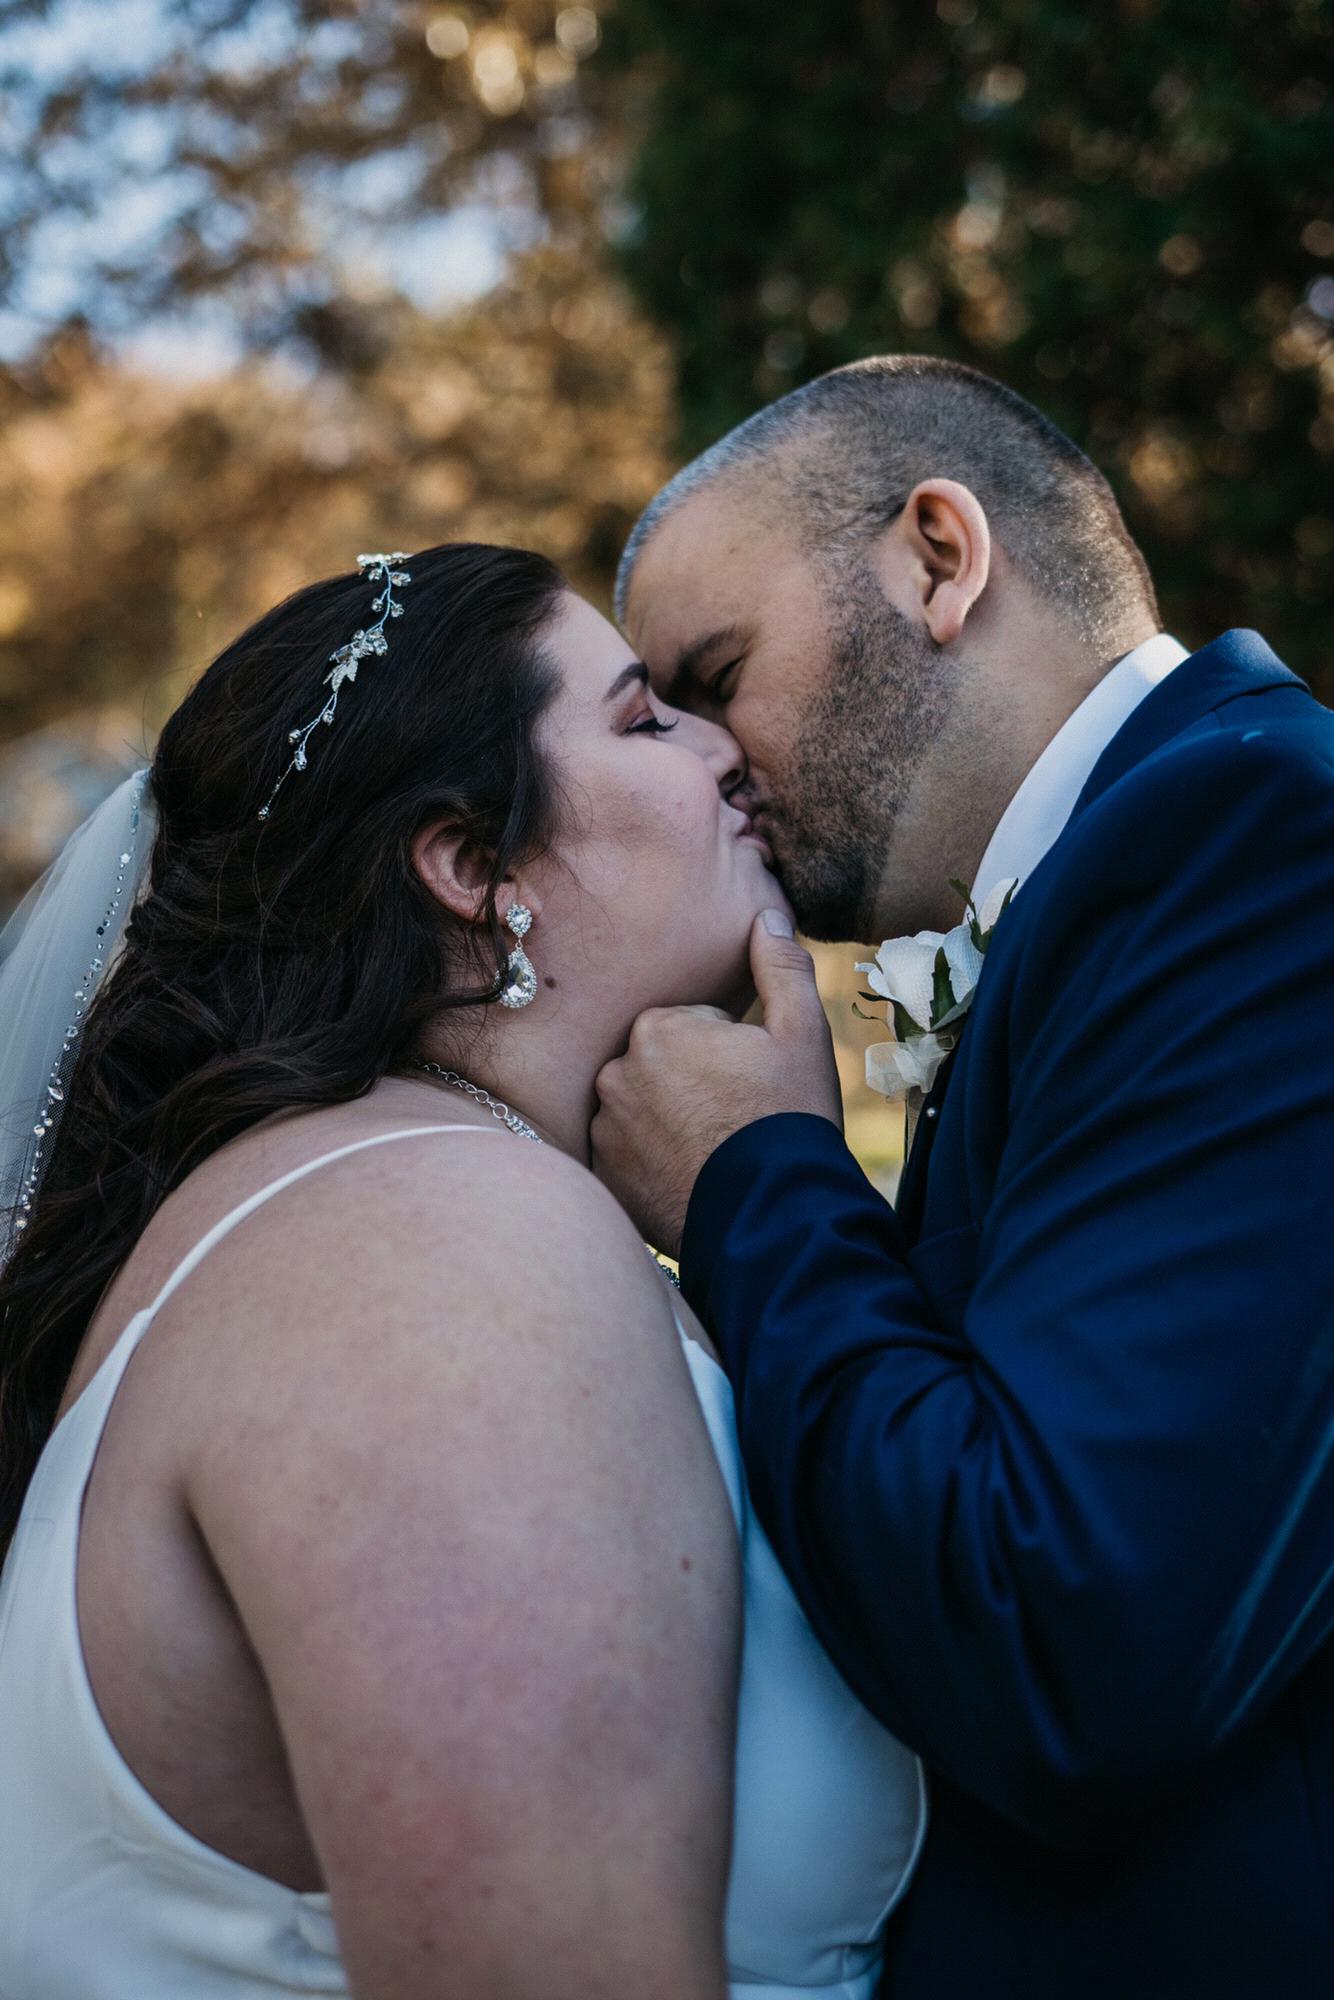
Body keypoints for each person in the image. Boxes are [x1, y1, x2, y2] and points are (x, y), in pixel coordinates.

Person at [0, 543, 926, 1999]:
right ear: (474, 867)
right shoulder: (439, 1245)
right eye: (644, 719)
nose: (722, 751)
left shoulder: (389, 1202)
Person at [595, 356, 1334, 2000]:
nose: (705, 765)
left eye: (716, 676)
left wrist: (753, 1183)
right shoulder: (1126, 878)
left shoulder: (1253, 839)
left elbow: (1067, 1643)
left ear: (939, 556)